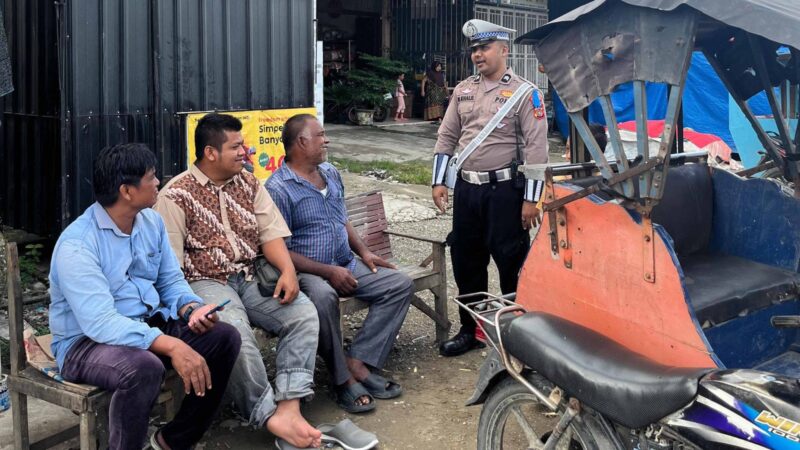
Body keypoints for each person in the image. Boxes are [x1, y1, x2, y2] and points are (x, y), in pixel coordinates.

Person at [49, 143, 241, 450]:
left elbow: (170, 281)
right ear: (127, 191)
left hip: (146, 326)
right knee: (142, 368)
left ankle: (172, 442)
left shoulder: (150, 222)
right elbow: (100, 323)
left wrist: (190, 307)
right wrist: (170, 344)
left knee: (224, 338)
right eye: (151, 177)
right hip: (85, 344)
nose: (158, 183)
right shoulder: (78, 246)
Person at [154, 113, 322, 449]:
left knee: (303, 313)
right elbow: (169, 268)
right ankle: (267, 414)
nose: (245, 151)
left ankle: (290, 405)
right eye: (236, 146)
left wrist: (288, 271)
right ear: (210, 153)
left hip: (250, 274)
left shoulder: (249, 182)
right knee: (235, 331)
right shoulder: (176, 195)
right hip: (204, 281)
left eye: (243, 144)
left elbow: (271, 234)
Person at [266, 114, 414, 414]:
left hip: (345, 262)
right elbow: (277, 247)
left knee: (399, 284)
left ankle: (358, 360)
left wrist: (364, 252)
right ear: (302, 142)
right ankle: (342, 379)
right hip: (309, 271)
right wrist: (328, 272)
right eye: (320, 135)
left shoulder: (330, 172)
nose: (326, 140)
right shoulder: (278, 188)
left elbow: (341, 218)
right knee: (323, 297)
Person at [431, 19, 549, 357]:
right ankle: (473, 330)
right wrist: (439, 180)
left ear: (503, 49)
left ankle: (515, 337)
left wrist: (532, 199)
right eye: (474, 50)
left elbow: (537, 149)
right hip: (468, 191)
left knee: (511, 262)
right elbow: (447, 137)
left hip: (505, 193)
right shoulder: (463, 90)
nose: (478, 55)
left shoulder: (526, 93)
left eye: (484, 48)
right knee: (467, 262)